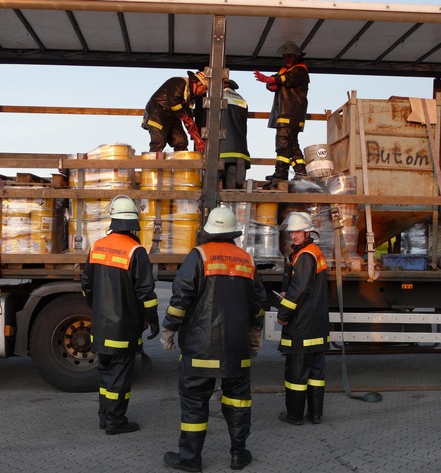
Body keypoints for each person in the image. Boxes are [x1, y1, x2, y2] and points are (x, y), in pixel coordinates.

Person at [161, 207, 267, 472]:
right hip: (236, 348)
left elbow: (180, 298)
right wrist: (254, 336)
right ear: (233, 233)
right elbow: (258, 305)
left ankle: (190, 459)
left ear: (208, 231)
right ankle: (238, 455)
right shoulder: (247, 260)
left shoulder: (198, 256)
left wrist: (169, 330)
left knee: (194, 403)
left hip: (199, 348)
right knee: (238, 401)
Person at [80, 195, 160, 435]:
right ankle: (116, 422)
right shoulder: (136, 251)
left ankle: (104, 416)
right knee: (120, 378)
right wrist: (153, 320)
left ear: (113, 219)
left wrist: (98, 309)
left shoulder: (97, 246)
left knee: (105, 375)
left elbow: (86, 284)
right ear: (134, 222)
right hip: (124, 328)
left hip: (101, 326)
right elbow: (146, 293)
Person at [276, 211, 329, 425]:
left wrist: (283, 313)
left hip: (302, 325)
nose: (293, 236)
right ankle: (315, 414)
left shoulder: (305, 255)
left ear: (308, 232)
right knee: (316, 374)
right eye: (292, 232)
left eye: (297, 231)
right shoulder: (313, 252)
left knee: (296, 375)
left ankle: (294, 415)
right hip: (316, 325)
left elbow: (299, 289)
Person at [254, 41, 310, 183]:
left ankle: (281, 173)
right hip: (288, 114)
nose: (287, 59)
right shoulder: (286, 70)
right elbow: (279, 79)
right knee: (292, 145)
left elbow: (285, 79)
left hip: (289, 114)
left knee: (283, 144)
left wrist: (270, 79)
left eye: (290, 56)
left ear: (297, 56)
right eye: (286, 56)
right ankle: (301, 173)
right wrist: (270, 84)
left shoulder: (299, 71)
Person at [142, 70, 209, 153]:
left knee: (181, 142)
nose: (204, 92)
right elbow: (174, 102)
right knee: (159, 141)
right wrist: (186, 119)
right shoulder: (179, 82)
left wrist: (195, 135)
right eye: (205, 88)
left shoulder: (189, 96)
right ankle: (152, 165)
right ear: (199, 83)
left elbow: (187, 114)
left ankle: (181, 165)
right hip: (157, 113)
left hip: (172, 116)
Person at [219, 78, 250, 189]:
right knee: (235, 166)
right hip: (239, 146)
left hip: (222, 146)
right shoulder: (242, 100)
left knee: (218, 176)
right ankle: (234, 174)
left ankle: (225, 175)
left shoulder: (217, 98)